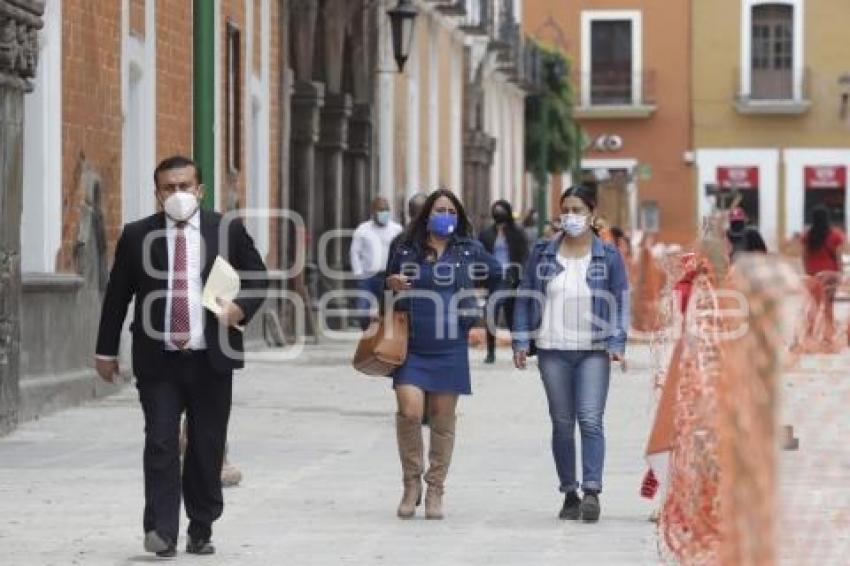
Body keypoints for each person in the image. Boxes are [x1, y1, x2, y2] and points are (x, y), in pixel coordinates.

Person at [94, 155, 268, 557]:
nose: (178, 194)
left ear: (200, 190)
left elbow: (258, 276)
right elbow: (118, 295)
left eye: (185, 186)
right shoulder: (137, 235)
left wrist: (241, 307)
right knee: (159, 440)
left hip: (212, 359)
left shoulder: (226, 229)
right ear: (157, 194)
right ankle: (161, 530)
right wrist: (105, 350)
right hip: (159, 360)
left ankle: (201, 525)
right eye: (168, 188)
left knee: (207, 445)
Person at [512, 184, 629, 523]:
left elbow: (620, 299)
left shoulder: (608, 255)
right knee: (562, 424)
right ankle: (569, 493)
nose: (571, 216)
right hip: (552, 350)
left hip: (593, 349)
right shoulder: (543, 253)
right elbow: (526, 297)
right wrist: (521, 340)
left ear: (592, 214)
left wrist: (618, 342)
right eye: (566, 210)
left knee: (590, 420)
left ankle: (592, 491)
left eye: (578, 210)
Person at [385, 189, 503, 520]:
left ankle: (435, 487)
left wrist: (481, 312)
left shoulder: (468, 249)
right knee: (409, 411)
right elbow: (385, 280)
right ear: (426, 214)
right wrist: (391, 282)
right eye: (440, 209)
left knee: (442, 418)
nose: (446, 215)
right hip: (411, 344)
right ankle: (411, 484)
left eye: (452, 211)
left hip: (450, 345)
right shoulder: (405, 246)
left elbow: (498, 274)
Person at [478, 200, 528, 363]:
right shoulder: (486, 233)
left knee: (511, 314)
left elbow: (523, 255)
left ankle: (517, 349)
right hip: (493, 277)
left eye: (501, 210)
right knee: (491, 312)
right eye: (496, 210)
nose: (498, 213)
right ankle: (491, 351)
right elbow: (480, 255)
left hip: (511, 276)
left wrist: (521, 276)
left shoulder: (517, 233)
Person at [350, 197, 403, 329]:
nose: (384, 213)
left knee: (390, 310)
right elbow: (355, 252)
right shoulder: (363, 229)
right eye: (380, 210)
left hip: (388, 276)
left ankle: (383, 338)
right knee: (362, 310)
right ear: (373, 211)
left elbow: (402, 252)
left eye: (386, 210)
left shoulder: (396, 230)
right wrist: (358, 273)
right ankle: (367, 334)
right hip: (368, 277)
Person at [802, 205, 845, 342]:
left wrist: (807, 271)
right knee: (829, 306)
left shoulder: (808, 236)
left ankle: (809, 333)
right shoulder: (835, 235)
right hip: (831, 274)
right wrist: (840, 272)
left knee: (814, 305)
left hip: (814, 274)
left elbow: (804, 255)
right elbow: (838, 256)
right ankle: (828, 336)